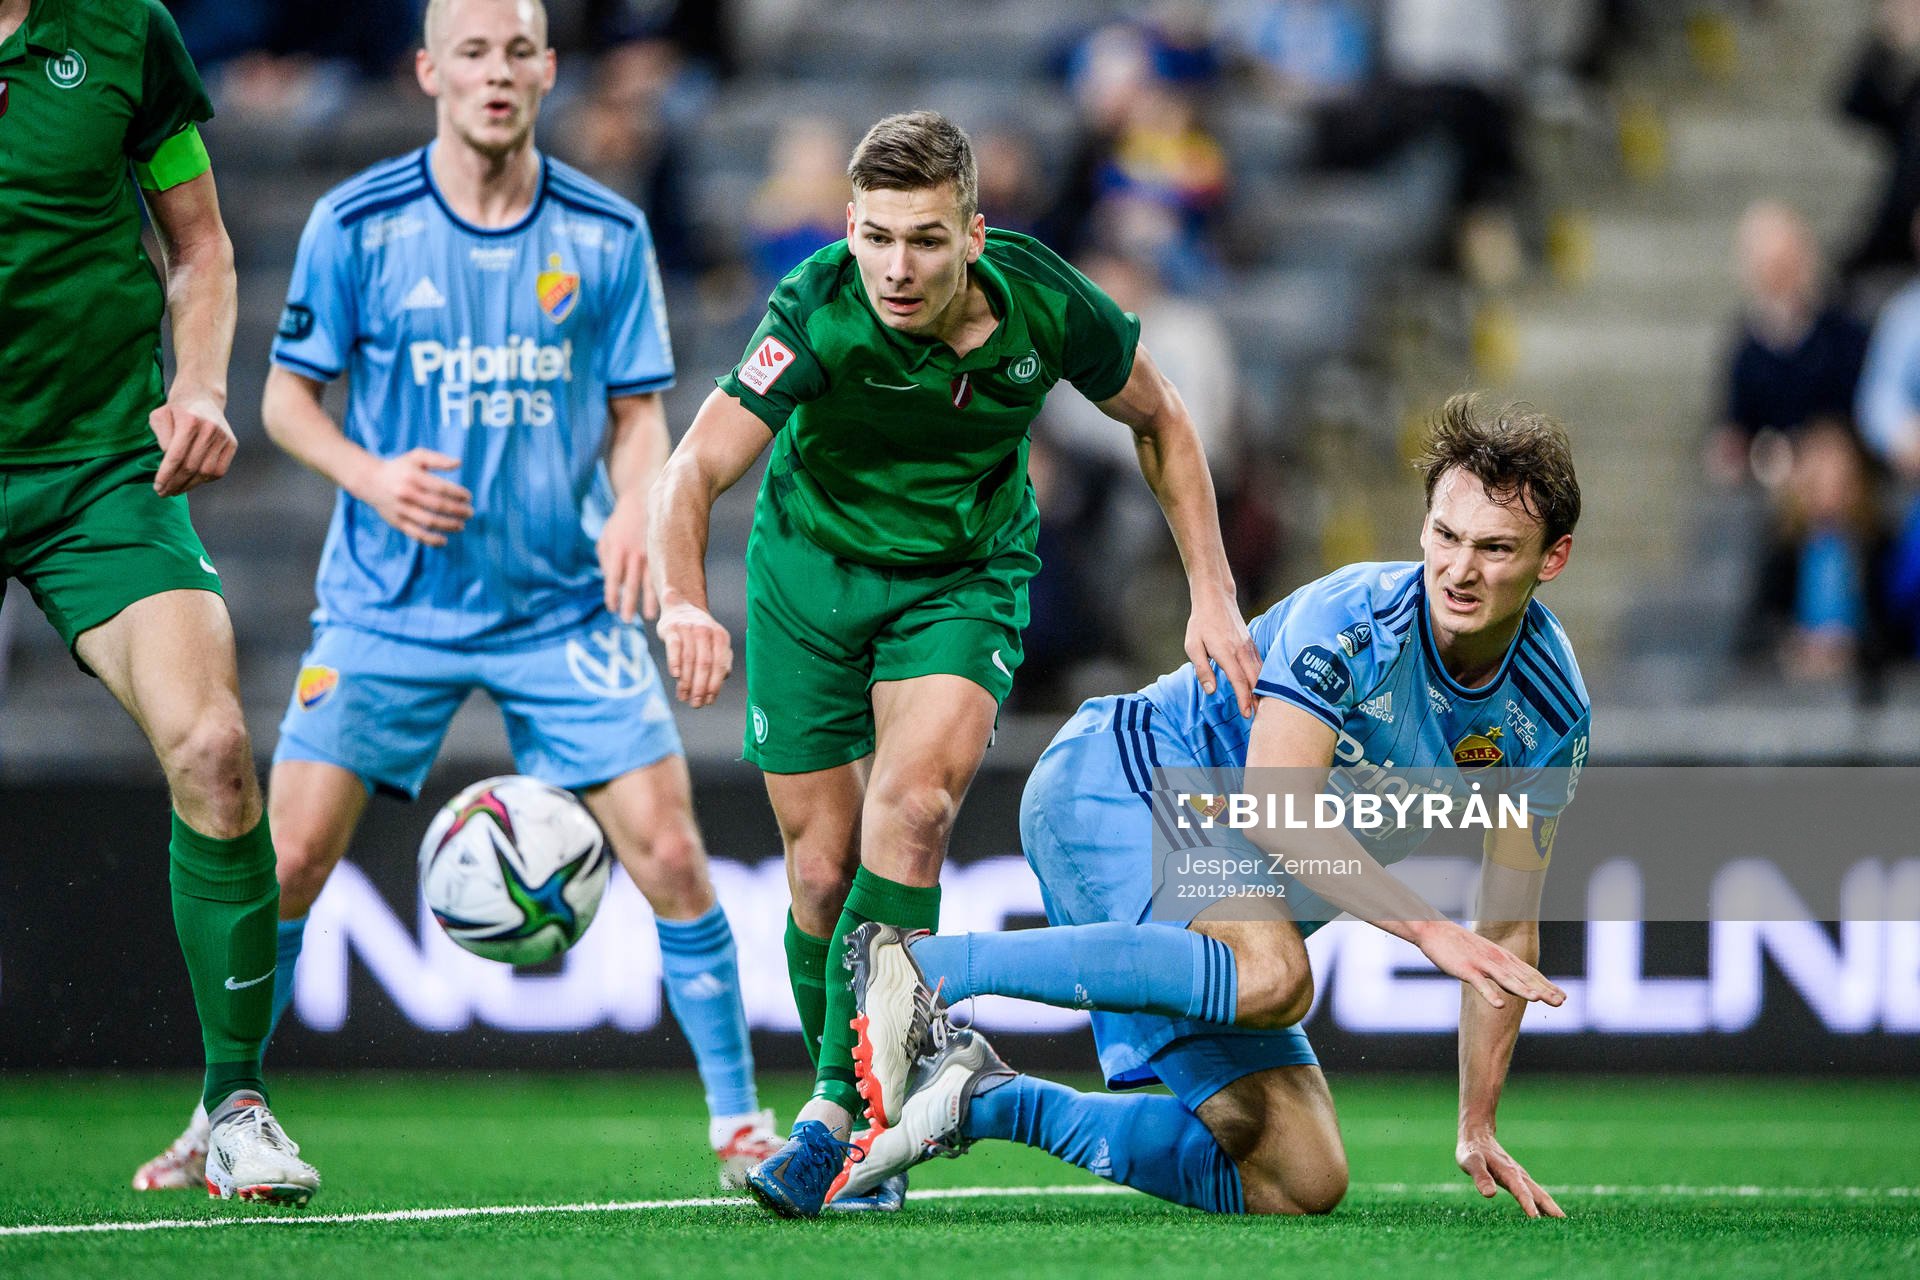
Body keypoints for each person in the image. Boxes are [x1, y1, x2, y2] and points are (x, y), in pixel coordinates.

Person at [130, 0, 779, 1197]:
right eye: (471, 52)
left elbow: (641, 417)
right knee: (289, 860)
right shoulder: (357, 222)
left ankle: (741, 1128)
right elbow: (286, 405)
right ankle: (222, 1109)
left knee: (676, 852)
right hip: (388, 602)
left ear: (546, 68)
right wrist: (372, 474)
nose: (495, 73)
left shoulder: (606, 230)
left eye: (517, 51)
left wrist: (637, 509)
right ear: (429, 70)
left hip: (561, 607)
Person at [649, 109, 1259, 1218]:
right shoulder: (814, 312)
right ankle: (875, 1089)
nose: (896, 265)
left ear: (976, 233)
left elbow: (1161, 415)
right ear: (848, 226)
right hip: (810, 581)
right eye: (877, 236)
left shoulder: (1041, 300)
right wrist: (685, 603)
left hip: (962, 581)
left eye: (925, 238)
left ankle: (841, 1117)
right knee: (824, 876)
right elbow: (691, 470)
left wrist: (1213, 594)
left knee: (914, 806)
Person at [841, 394, 1587, 1219]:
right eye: (1445, 537)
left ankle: (980, 1097)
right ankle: (923, 970)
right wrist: (1428, 929)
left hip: (1225, 908)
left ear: (1551, 559)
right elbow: (1276, 808)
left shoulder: (1548, 714)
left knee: (1300, 1176)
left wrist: (1476, 1123)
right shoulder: (1356, 621)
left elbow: (1510, 931)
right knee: (1277, 976)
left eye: (1495, 548)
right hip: (1126, 777)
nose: (1459, 568)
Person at [0, 0, 317, 1203]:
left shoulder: (125, 30)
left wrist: (198, 383)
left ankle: (235, 1104)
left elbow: (199, 246)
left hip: (97, 470)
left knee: (217, 747)